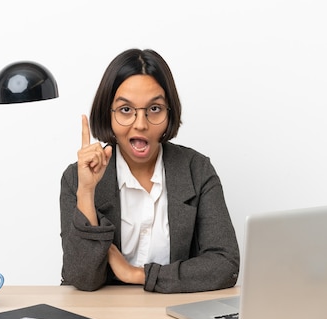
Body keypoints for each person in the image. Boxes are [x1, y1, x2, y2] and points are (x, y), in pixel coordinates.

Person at [59, 48, 239, 293]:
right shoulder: (76, 178)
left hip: (174, 311)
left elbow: (225, 265)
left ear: (169, 113)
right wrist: (87, 191)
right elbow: (81, 278)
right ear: (107, 114)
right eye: (125, 110)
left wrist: (137, 274)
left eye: (154, 109)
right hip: (100, 314)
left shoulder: (196, 169)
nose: (141, 124)